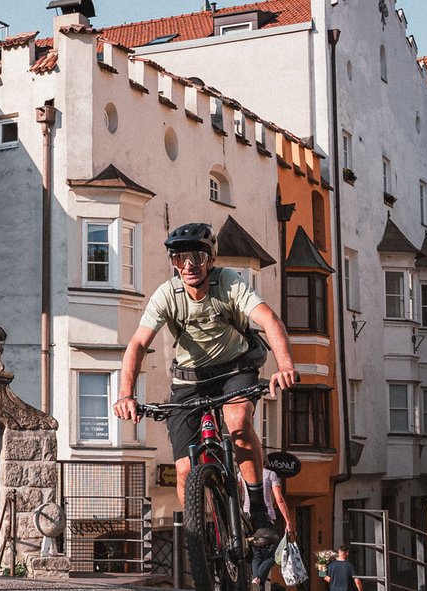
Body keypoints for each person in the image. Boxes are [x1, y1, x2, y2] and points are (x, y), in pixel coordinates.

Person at [112, 222, 298, 547]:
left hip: (234, 371)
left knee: (238, 424)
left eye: (197, 256)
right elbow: (138, 344)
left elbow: (269, 320)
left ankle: (256, 510)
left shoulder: (228, 283)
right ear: (173, 262)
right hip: (188, 381)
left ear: (210, 259)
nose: (189, 265)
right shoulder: (167, 295)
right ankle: (202, 539)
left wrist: (285, 366)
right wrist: (126, 394)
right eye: (180, 258)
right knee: (184, 470)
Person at [246, 467, 296, 591]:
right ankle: (257, 578)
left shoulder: (241, 474)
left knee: (256, 555)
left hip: (248, 519)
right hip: (266, 518)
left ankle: (257, 587)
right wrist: (288, 522)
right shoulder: (270, 474)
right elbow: (279, 499)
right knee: (275, 554)